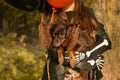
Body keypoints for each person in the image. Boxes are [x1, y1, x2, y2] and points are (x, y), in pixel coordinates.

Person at [39, 0, 112, 80]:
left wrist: (87, 54)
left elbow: (106, 41)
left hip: (84, 74)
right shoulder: (50, 12)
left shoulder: (86, 14)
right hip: (56, 74)